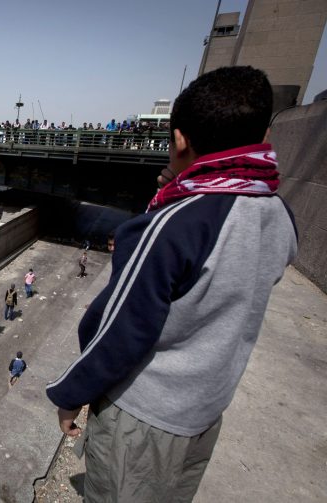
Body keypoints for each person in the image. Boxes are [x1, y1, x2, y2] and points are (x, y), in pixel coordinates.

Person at [46, 66, 297, 502]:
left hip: (144, 415)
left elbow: (120, 327)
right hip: (203, 411)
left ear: (180, 140)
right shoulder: (276, 213)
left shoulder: (173, 225)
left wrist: (71, 394)